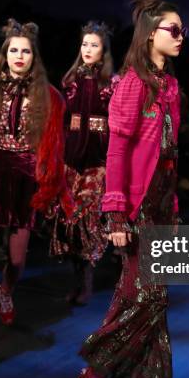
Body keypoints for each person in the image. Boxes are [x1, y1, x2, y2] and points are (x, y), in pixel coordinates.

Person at [75, 0, 184, 378]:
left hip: (160, 207)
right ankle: (97, 370)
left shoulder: (169, 85)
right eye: (173, 29)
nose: (180, 36)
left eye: (182, 30)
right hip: (135, 209)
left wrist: (172, 211)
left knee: (135, 298)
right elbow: (117, 150)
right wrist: (116, 212)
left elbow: (169, 158)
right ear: (150, 34)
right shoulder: (133, 83)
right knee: (150, 299)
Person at [0, 19, 72, 359]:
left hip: (26, 174)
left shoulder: (49, 96)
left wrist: (52, 183)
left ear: (35, 57)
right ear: (4, 54)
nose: (19, 56)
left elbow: (54, 145)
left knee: (18, 258)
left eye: (26, 51)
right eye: (14, 50)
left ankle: (6, 288)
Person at [50, 21, 119, 305]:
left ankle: (88, 282)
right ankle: (76, 280)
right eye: (84, 44)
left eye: (94, 45)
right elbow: (63, 119)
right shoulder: (71, 79)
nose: (88, 49)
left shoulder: (111, 83)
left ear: (104, 51)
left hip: (98, 157)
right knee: (69, 221)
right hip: (73, 155)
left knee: (88, 220)